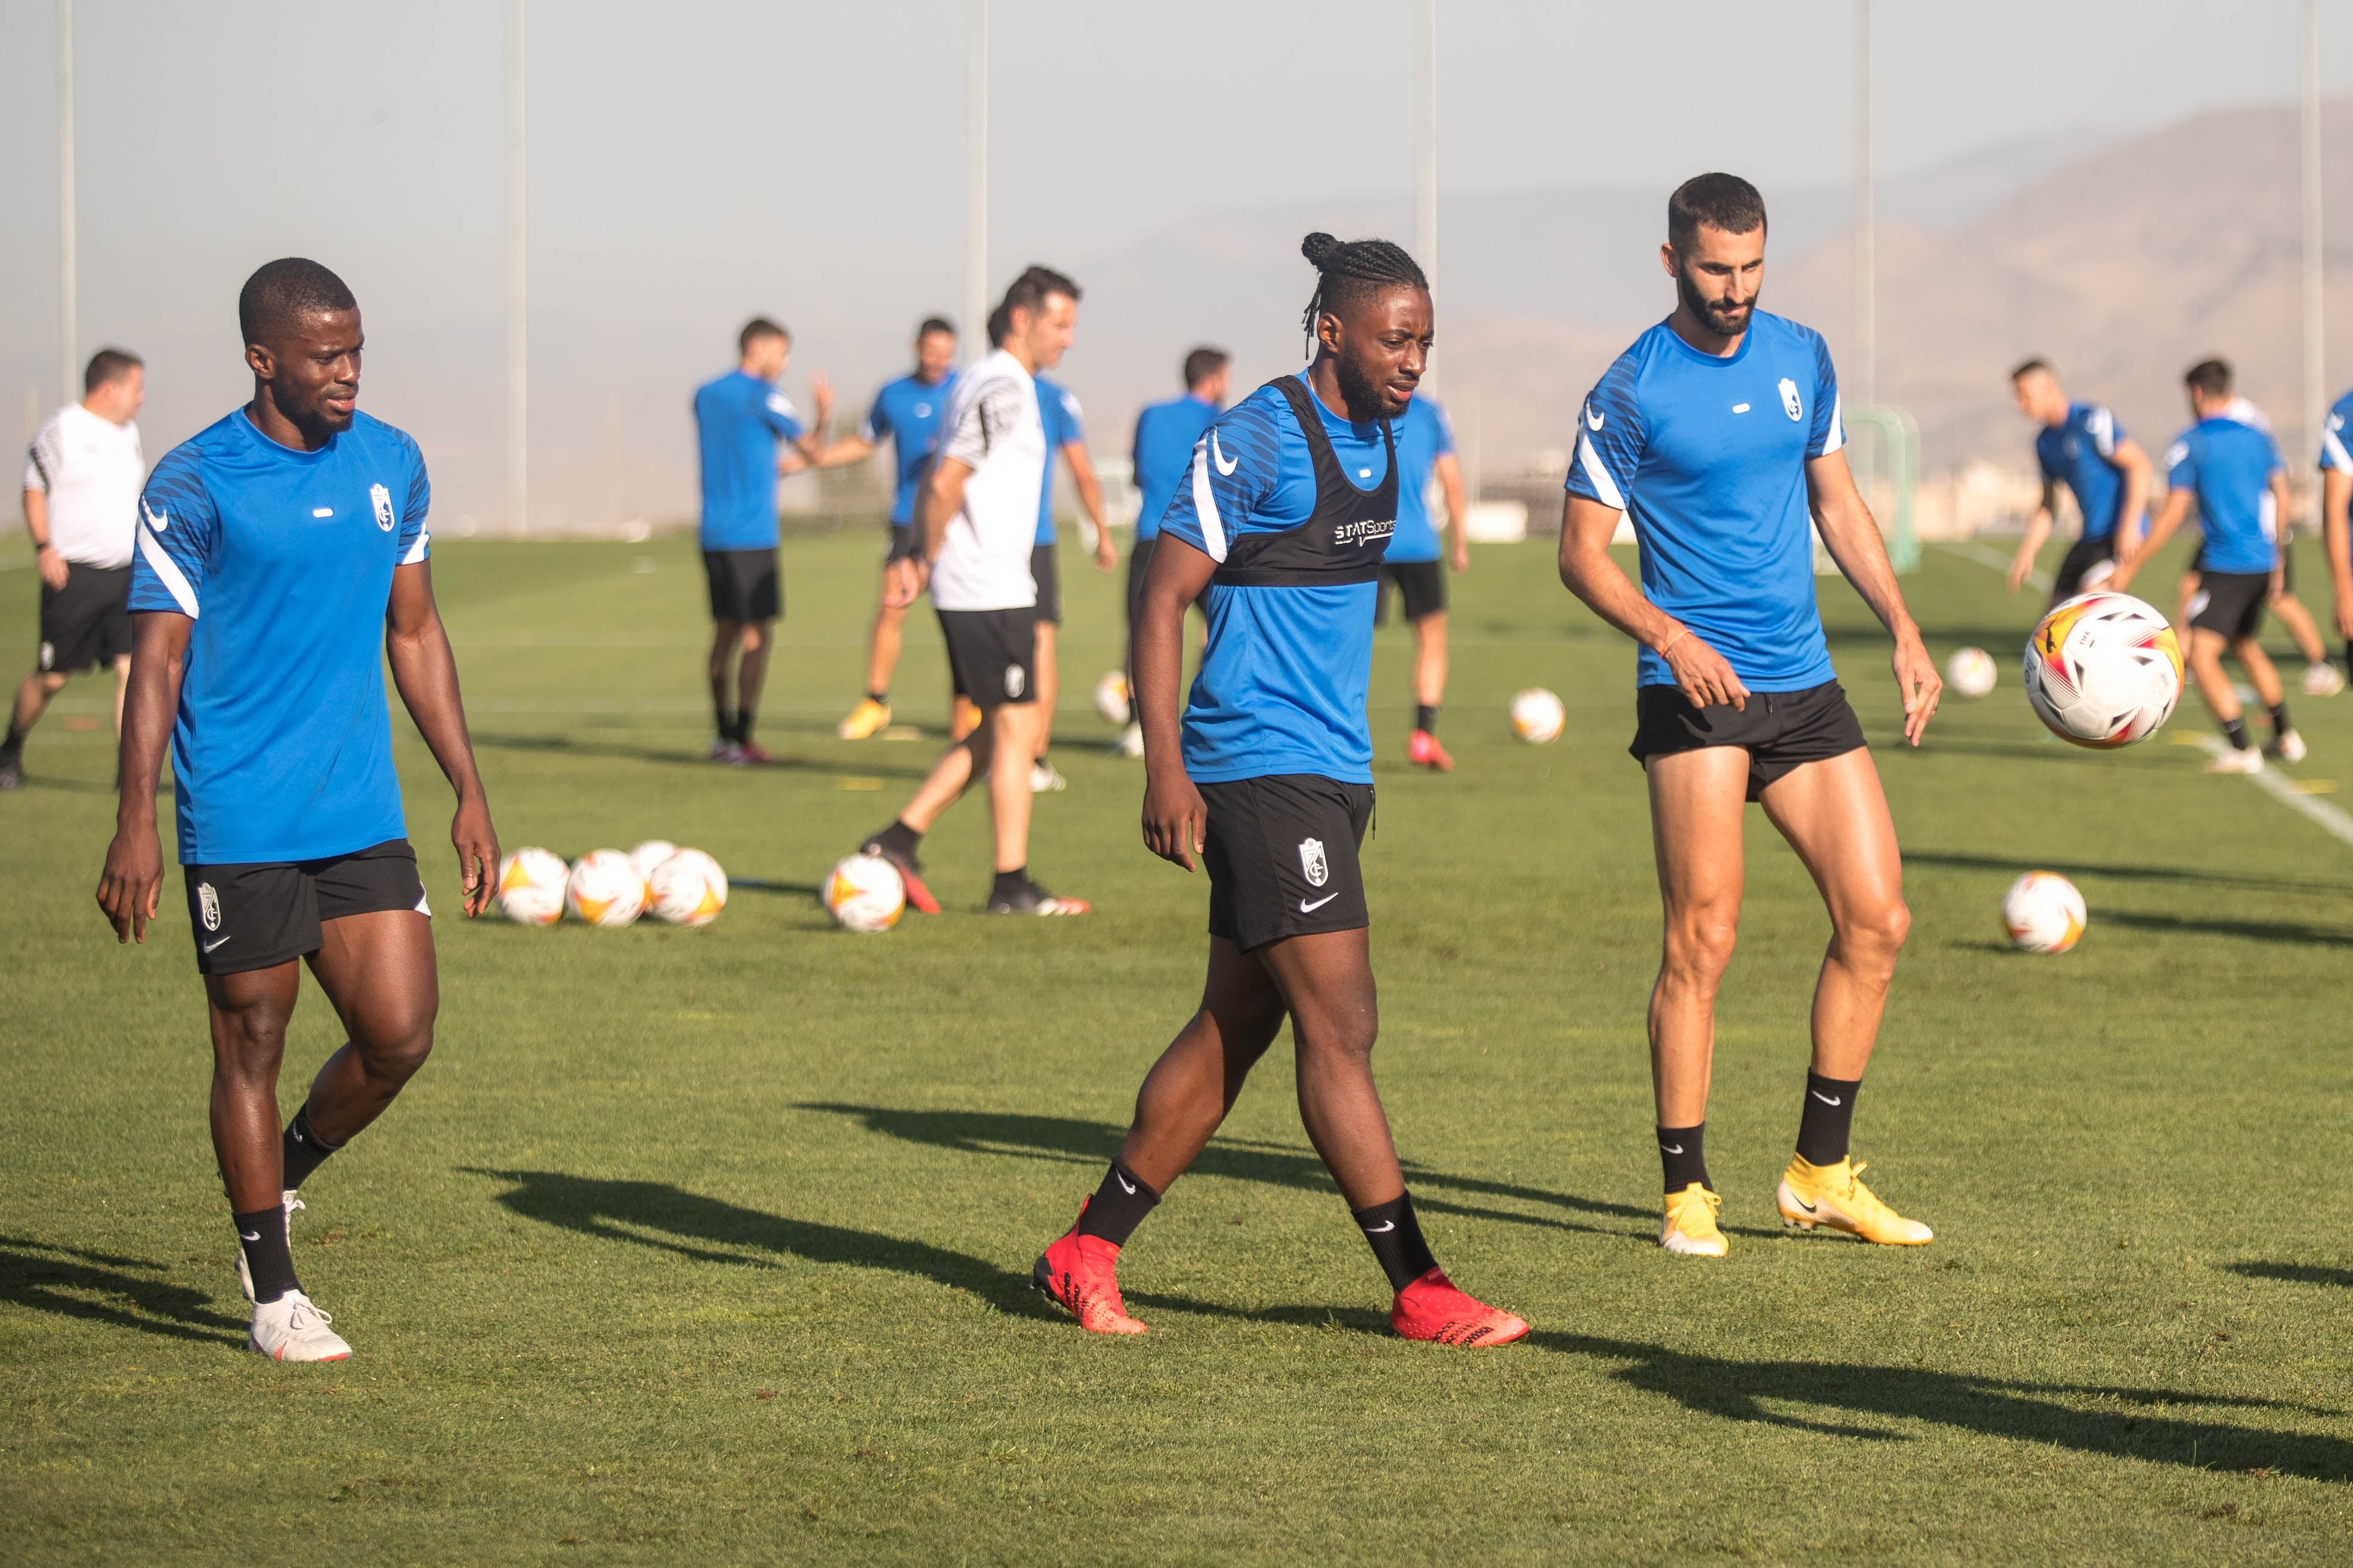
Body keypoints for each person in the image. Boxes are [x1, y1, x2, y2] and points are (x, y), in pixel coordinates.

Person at [1030, 233, 1528, 1346]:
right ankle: (1418, 1284)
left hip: (1332, 769)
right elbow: (1160, 596)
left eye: (1425, 341)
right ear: (1332, 331)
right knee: (1342, 1022)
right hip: (1257, 764)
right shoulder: (1256, 435)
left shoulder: (1385, 433)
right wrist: (1164, 764)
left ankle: (1085, 1249)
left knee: (1236, 1023)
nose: (1413, 361)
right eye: (1395, 340)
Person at [94, 258, 500, 1362]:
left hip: (359, 807)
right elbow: (157, 660)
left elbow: (414, 630)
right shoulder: (193, 483)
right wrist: (136, 819)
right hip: (239, 812)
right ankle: (274, 1294)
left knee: (399, 1033)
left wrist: (467, 787)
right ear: (262, 359)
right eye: (326, 355)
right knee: (253, 1041)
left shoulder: (392, 463)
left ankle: (278, 1180)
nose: (349, 371)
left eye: (356, 349)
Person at [1557, 174, 1940, 1260]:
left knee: (1877, 919)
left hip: (1802, 682)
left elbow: (1837, 501)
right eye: (1715, 269)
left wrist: (1902, 627)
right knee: (1703, 939)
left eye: (1752, 266)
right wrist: (1671, 639)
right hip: (1693, 693)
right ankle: (1685, 1189)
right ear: (1671, 260)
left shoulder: (1801, 356)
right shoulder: (1630, 387)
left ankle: (1819, 1172)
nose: (1736, 289)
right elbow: (1578, 555)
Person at [856, 267, 1092, 917]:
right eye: (1060, 324)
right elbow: (944, 481)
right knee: (1018, 728)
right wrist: (923, 556)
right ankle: (1009, 884)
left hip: (986, 581)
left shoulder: (983, 380)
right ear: (1021, 318)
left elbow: (938, 469)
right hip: (987, 584)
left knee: (1001, 727)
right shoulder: (1002, 386)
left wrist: (919, 553)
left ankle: (898, 839)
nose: (1069, 339)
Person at [2111, 359, 2302, 772]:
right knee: (2244, 644)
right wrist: (2279, 557)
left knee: (2200, 655)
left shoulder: (2190, 443)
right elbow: (2283, 495)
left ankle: (2242, 750)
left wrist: (2131, 565)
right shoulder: (2259, 437)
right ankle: (2286, 736)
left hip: (2226, 565)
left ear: (2196, 393)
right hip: (2263, 560)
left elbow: (2173, 513)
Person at [691, 318, 844, 764]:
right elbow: (814, 451)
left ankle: (722, 737)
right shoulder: (765, 395)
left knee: (724, 634)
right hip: (752, 533)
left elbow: (741, 447)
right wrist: (824, 413)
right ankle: (743, 740)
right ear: (757, 348)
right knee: (757, 636)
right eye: (782, 351)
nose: (785, 362)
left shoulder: (705, 394)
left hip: (713, 532)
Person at [2, 350, 146, 791]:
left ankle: (130, 776)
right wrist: (44, 547)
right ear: (110, 388)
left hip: (125, 574)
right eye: (137, 388)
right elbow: (33, 488)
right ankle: (10, 749)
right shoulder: (62, 428)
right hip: (74, 577)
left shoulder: (129, 432)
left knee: (130, 671)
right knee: (52, 678)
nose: (141, 398)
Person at [832, 318, 959, 740]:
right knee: (890, 607)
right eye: (932, 351)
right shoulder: (893, 394)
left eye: (947, 353)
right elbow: (864, 441)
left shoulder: (965, 389)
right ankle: (876, 702)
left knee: (963, 615)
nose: (939, 360)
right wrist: (814, 458)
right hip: (908, 519)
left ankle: (971, 707)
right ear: (916, 347)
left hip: (958, 520)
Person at [1113, 348, 1231, 756]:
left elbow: (1137, 473)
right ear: (1214, 379)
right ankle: (1210, 717)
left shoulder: (1150, 415)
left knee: (1143, 628)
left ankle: (1137, 727)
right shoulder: (1219, 418)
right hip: (1202, 541)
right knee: (1220, 626)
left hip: (1151, 535)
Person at [2204, 395, 2342, 696]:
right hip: (2240, 533)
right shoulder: (2237, 418)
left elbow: (2271, 478)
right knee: (2194, 589)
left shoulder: (2242, 419)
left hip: (2260, 533)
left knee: (2280, 598)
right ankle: (2187, 661)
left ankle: (2321, 663)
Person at [1027, 363, 1117, 791]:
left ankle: (989, 753)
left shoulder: (972, 383)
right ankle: (1034, 759)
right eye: (1061, 331)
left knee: (991, 646)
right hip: (1031, 543)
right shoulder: (1054, 397)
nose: (1068, 341)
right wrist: (1102, 533)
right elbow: (1081, 471)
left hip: (980, 545)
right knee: (1040, 645)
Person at [1375, 391, 1470, 769]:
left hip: (1367, 542)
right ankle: (1424, 737)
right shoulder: (1431, 413)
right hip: (1419, 545)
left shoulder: (1362, 404)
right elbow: (1453, 485)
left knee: (1349, 643)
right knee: (1431, 642)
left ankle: (1332, 734)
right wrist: (1459, 543)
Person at [2004, 360, 2151, 604]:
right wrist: (2026, 554)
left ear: (2049, 388)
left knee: (2087, 609)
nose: (2019, 404)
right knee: (2054, 616)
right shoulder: (2044, 443)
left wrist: (2130, 526)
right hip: (2090, 538)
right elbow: (2048, 504)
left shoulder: (2089, 420)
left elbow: (2140, 466)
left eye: (2024, 396)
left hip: (2119, 535)